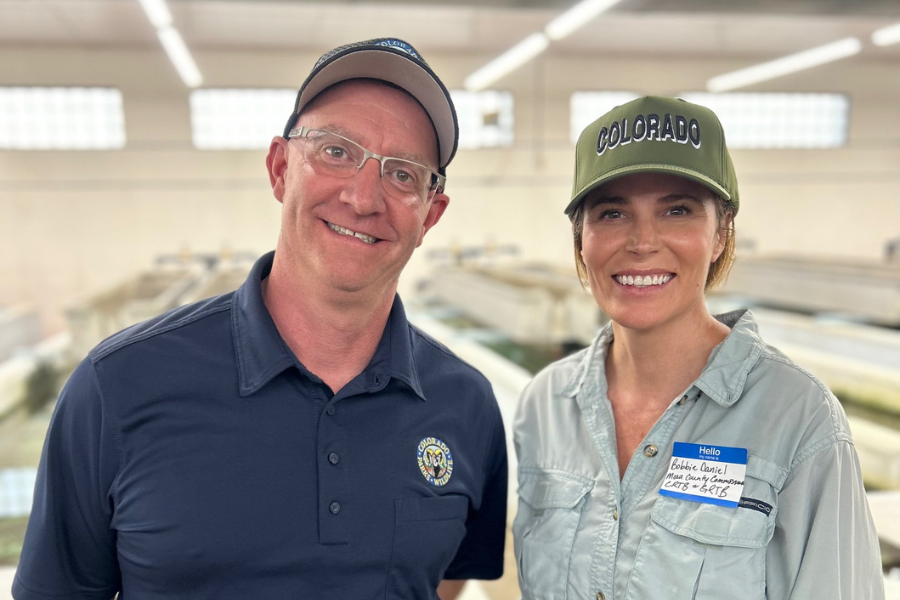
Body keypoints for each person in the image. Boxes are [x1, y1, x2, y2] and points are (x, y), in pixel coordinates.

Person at [13, 38, 507, 600]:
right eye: (336, 151)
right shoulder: (118, 387)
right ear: (279, 169)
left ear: (430, 215)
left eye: (403, 174)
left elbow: (444, 579)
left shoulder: (466, 405)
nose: (363, 196)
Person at [513, 96, 883, 600]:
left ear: (721, 233)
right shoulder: (544, 405)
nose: (642, 241)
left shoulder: (799, 422)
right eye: (612, 212)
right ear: (582, 239)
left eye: (677, 210)